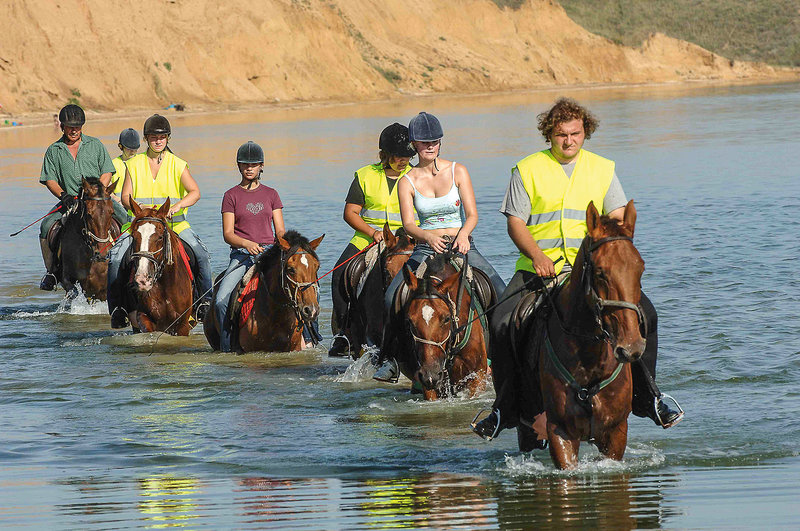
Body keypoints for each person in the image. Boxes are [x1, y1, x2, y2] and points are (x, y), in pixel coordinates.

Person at [471, 98, 683, 444]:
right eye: (561, 135)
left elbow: (617, 216)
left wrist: (611, 249)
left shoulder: (603, 169)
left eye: (575, 133)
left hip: (594, 271)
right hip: (539, 269)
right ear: (549, 135)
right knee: (502, 322)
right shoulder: (526, 169)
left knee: (647, 314)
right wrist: (537, 256)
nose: (569, 141)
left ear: (586, 132)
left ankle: (651, 398)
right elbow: (515, 223)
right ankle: (503, 409)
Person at [375, 112, 507, 382]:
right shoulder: (407, 181)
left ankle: (503, 355)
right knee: (391, 298)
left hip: (461, 244)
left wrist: (464, 235)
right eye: (425, 142)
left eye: (435, 141)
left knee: (501, 291)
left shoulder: (458, 171)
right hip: (426, 247)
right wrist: (427, 237)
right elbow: (408, 224)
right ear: (414, 144)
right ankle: (390, 360)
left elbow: (472, 214)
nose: (430, 146)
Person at [106, 114, 213, 328]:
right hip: (140, 226)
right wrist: (138, 208)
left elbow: (195, 192)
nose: (158, 141)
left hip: (175, 225)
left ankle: (204, 303)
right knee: (115, 259)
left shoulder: (178, 164)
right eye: (153, 137)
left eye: (162, 137)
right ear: (146, 139)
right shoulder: (133, 164)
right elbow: (125, 196)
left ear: (167, 138)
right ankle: (117, 309)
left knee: (201, 255)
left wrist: (178, 205)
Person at [328, 123, 417, 357]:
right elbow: (350, 213)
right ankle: (344, 333)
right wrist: (372, 232)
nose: (404, 160)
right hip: (368, 238)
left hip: (407, 240)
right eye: (399, 156)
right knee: (339, 273)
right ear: (385, 154)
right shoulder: (365, 175)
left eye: (408, 156)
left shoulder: (417, 175)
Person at [214, 141, 285, 352]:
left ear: (261, 166)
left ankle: (310, 338)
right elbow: (228, 234)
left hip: (269, 253)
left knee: (303, 290)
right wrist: (247, 243)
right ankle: (227, 348)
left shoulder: (272, 194)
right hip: (242, 255)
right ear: (239, 166)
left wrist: (284, 246)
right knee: (220, 301)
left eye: (254, 164)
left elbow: (280, 230)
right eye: (245, 164)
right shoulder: (230, 196)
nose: (249, 168)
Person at [38, 104, 116, 290]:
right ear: (62, 126)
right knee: (46, 226)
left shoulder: (95, 145)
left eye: (78, 126)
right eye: (70, 127)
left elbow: (107, 171)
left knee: (125, 220)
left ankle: (129, 266)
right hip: (71, 201)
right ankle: (52, 271)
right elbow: (50, 179)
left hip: (97, 200)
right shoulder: (54, 150)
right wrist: (63, 195)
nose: (74, 130)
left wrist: (97, 193)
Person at [108, 128, 140, 224]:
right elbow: (107, 189)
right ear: (120, 146)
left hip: (139, 206)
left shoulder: (143, 162)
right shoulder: (112, 165)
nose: (132, 152)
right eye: (129, 149)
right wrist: (118, 201)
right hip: (120, 207)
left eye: (135, 149)